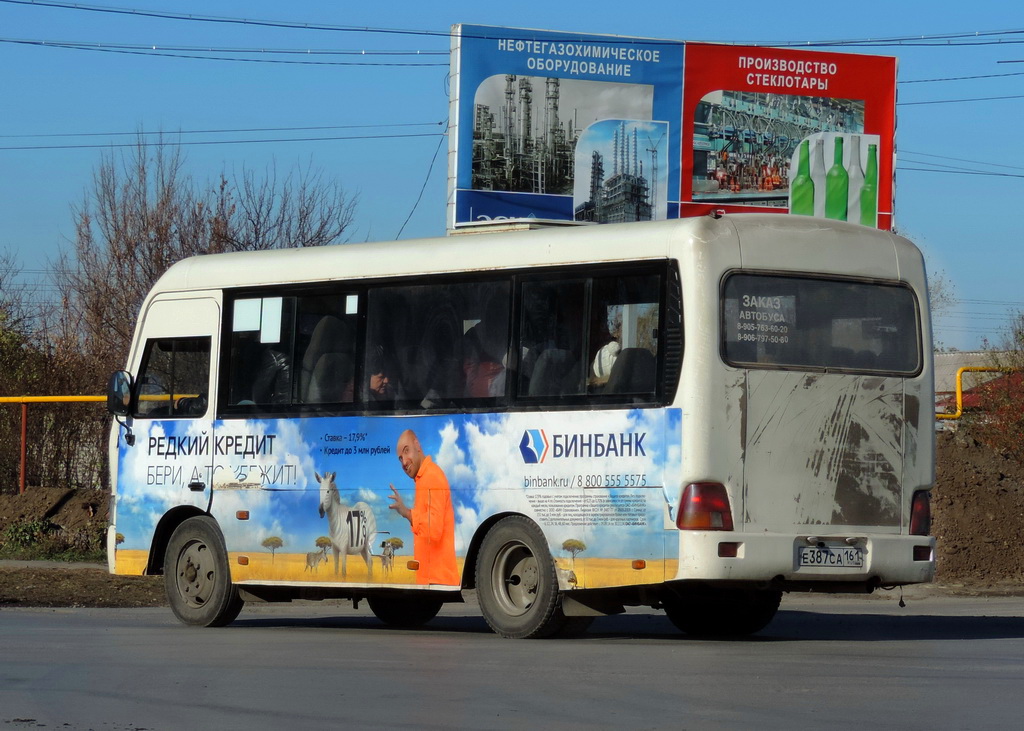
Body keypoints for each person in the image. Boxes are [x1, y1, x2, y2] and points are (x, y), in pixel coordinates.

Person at [388, 429, 459, 586]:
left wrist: (407, 513)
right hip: (430, 579)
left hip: (437, 579)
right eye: (400, 459)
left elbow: (434, 530)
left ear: (417, 445)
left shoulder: (432, 477)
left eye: (406, 452)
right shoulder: (423, 478)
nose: (404, 462)